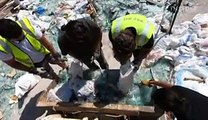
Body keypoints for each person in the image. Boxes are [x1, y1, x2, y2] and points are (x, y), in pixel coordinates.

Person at [0, 18, 67, 81]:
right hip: (35, 63)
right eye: (19, 38)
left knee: (59, 61)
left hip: (45, 53)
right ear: (8, 39)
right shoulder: (3, 46)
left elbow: (44, 41)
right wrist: (31, 70)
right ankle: (57, 79)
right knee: (50, 73)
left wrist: (55, 53)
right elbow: (13, 64)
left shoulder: (26, 27)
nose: (22, 37)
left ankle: (67, 69)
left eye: (22, 35)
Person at [142, 79, 208, 120]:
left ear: (166, 110)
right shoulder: (179, 91)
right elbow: (169, 86)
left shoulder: (184, 117)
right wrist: (152, 82)